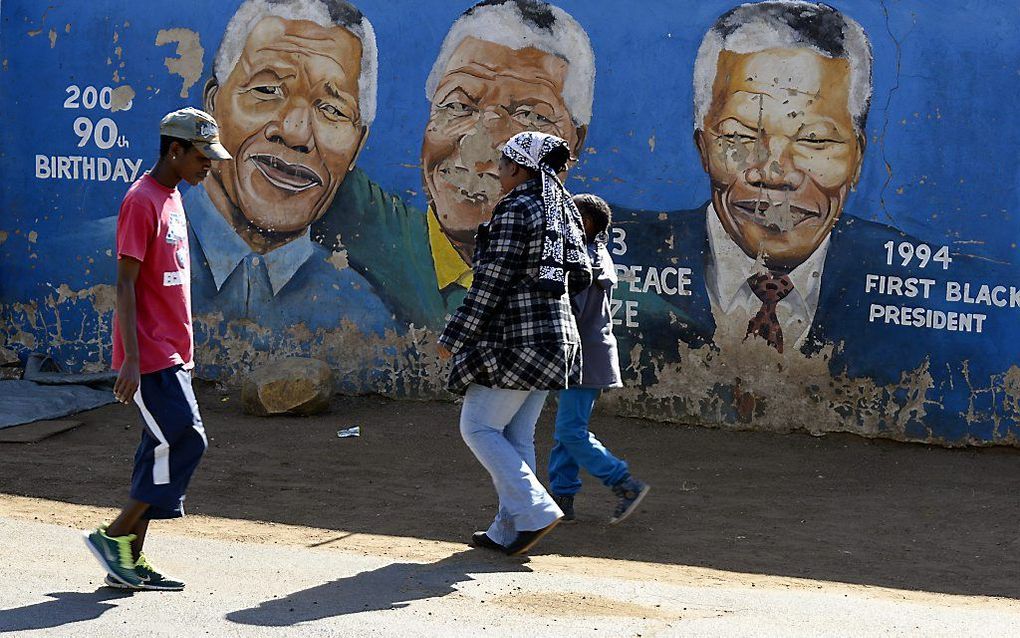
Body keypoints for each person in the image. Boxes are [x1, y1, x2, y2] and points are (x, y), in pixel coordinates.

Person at [317, 0, 596, 330]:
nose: (478, 150)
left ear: (573, 142)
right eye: (458, 105)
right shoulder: (366, 233)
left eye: (530, 117)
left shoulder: (586, 288)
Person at [184, 0, 396, 355]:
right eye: (266, 91)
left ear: (357, 146)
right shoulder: (96, 264)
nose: (296, 133)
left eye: (332, 109)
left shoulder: (366, 320)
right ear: (212, 106)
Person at [83, 108, 231, 590]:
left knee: (158, 448)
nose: (208, 166)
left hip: (173, 352)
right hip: (148, 355)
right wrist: (129, 357)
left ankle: (126, 558)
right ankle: (115, 535)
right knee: (187, 439)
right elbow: (124, 284)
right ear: (175, 150)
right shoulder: (141, 200)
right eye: (202, 157)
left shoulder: (172, 198)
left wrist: (185, 351)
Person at [438, 131, 591, 556]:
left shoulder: (517, 207)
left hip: (516, 341)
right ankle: (511, 528)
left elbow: (492, 281)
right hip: (555, 338)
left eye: (504, 161)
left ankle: (536, 508)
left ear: (520, 169)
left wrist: (454, 336)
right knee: (515, 434)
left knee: (479, 427)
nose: (497, 169)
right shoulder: (561, 208)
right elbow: (580, 275)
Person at [548, 194, 650, 524]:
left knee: (570, 431)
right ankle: (562, 497)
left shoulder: (583, 262)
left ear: (586, 224)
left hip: (583, 355)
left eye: (569, 216)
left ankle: (623, 482)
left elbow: (570, 312)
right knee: (568, 430)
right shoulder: (596, 253)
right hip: (586, 355)